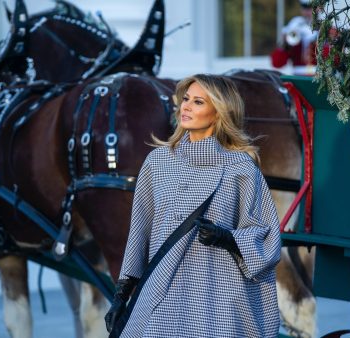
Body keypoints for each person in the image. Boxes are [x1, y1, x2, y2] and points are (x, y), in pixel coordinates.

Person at [104, 74, 281, 337]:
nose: (185, 106)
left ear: (219, 112)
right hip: (161, 295)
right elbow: (139, 233)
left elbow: (266, 236)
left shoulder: (240, 169)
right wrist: (122, 294)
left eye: (198, 102)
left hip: (217, 300)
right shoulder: (158, 162)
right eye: (186, 99)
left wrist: (227, 238)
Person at [271, 0, 318, 76]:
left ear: (318, 9)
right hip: (298, 78)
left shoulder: (324, 27)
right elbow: (277, 63)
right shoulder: (295, 24)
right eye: (305, 8)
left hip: (319, 78)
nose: (308, 12)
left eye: (311, 8)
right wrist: (285, 43)